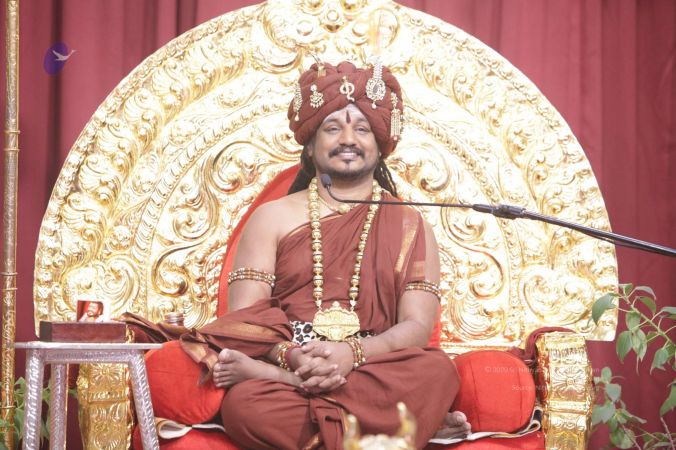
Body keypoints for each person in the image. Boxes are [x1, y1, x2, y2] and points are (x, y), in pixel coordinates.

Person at [126, 60, 471, 449]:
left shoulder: (410, 224)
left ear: (380, 144)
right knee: (246, 406)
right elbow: (246, 320)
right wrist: (293, 360)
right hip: (291, 358)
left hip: (372, 364)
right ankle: (399, 427)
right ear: (310, 143)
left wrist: (352, 353)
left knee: (437, 371)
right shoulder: (271, 218)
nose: (348, 139)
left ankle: (335, 417)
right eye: (332, 128)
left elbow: (416, 327)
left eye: (362, 129)